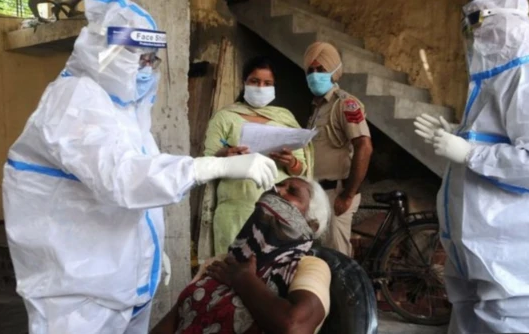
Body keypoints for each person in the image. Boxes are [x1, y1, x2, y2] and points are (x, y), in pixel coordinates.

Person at [2, 1, 278, 333]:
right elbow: (120, 178)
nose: (147, 67)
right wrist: (210, 168)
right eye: (139, 57)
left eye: (152, 58)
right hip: (77, 295)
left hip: (120, 284)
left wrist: (149, 253)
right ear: (105, 52)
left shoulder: (126, 111)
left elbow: (142, 179)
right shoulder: (74, 100)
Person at [414, 0, 529, 332]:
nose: (472, 34)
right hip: (480, 250)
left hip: (510, 254)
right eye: (467, 24)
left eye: (477, 20)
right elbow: (497, 143)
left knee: (507, 322)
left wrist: (468, 152)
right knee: (469, 316)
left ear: (508, 22)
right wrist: (457, 136)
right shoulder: (494, 86)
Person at [152, 177, 332, 334]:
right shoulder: (224, 260)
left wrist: (243, 280)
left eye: (292, 191)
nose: (277, 191)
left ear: (312, 223)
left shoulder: (310, 266)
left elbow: (294, 327)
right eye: (276, 186)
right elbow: (176, 317)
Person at [199, 56, 311, 256]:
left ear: (275, 86)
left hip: (277, 212)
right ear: (244, 82)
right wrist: (226, 154)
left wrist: (291, 161)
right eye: (254, 81)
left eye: (267, 83)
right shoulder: (225, 117)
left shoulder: (285, 118)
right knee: (230, 270)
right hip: (235, 209)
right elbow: (208, 159)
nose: (260, 87)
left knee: (268, 271)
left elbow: (301, 168)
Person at [303, 42, 373, 256]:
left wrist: (348, 195)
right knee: (320, 257)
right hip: (318, 192)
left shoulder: (346, 104)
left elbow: (364, 147)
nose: (315, 75)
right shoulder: (317, 108)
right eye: (311, 70)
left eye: (321, 70)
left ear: (334, 71)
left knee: (338, 258)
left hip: (337, 193)